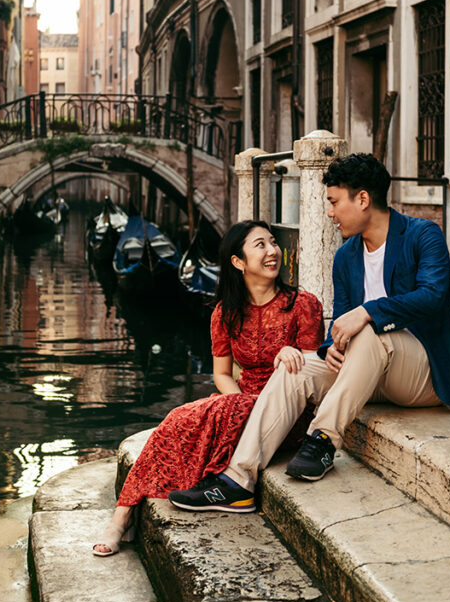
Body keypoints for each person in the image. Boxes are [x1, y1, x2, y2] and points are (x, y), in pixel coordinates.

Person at [168, 153, 450, 512]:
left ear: (362, 199)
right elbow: (340, 326)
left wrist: (367, 312)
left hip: (423, 373)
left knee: (367, 331)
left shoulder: (424, 235)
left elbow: (432, 297)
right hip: (366, 369)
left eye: (333, 202)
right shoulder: (346, 256)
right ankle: (238, 480)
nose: (329, 213)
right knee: (294, 366)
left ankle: (324, 438)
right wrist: (330, 348)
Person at [92, 219, 324, 555]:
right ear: (238, 261)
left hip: (289, 414)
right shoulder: (225, 313)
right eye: (260, 245)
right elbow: (222, 374)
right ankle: (121, 515)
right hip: (242, 401)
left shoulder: (302, 304)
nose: (272, 251)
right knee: (178, 419)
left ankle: (122, 518)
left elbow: (312, 373)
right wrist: (242, 401)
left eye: (273, 242)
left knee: (195, 417)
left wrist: (293, 354)